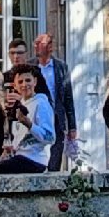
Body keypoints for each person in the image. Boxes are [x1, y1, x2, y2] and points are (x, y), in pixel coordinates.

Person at [0, 63, 55, 175]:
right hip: (20, 157)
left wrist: (29, 124)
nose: (24, 84)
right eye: (20, 82)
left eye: (28, 80)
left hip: (35, 160)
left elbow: (50, 137)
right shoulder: (22, 104)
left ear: (35, 82)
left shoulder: (41, 104)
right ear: (15, 86)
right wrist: (13, 148)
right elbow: (23, 137)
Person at [33, 33, 74, 170]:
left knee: (56, 153)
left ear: (50, 47)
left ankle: (53, 176)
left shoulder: (61, 67)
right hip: (36, 116)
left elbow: (68, 97)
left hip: (56, 116)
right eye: (35, 43)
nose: (35, 46)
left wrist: (72, 126)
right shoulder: (31, 66)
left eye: (39, 43)